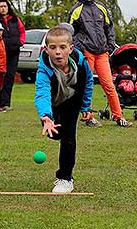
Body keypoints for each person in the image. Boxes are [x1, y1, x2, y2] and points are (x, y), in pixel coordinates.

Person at [34, 26, 93, 193]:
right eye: (53, 48)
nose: (58, 52)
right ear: (46, 49)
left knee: (68, 138)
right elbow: (42, 93)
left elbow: (88, 82)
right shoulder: (43, 69)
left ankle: (65, 178)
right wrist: (46, 116)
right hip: (53, 104)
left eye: (62, 47)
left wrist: (86, 106)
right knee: (55, 133)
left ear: (70, 48)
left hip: (73, 101)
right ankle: (54, 126)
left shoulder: (81, 62)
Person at [67, 0, 132, 128]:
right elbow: (69, 32)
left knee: (109, 84)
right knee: (86, 84)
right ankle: (88, 116)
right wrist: (80, 48)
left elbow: (109, 28)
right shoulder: (76, 10)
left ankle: (119, 117)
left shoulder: (101, 8)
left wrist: (109, 46)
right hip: (86, 52)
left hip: (102, 52)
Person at [0, 0, 26, 111]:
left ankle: (5, 103)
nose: (3, 8)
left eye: (5, 6)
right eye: (1, 6)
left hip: (13, 52)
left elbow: (22, 31)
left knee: (9, 77)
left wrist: (20, 42)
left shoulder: (15, 19)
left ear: (8, 7)